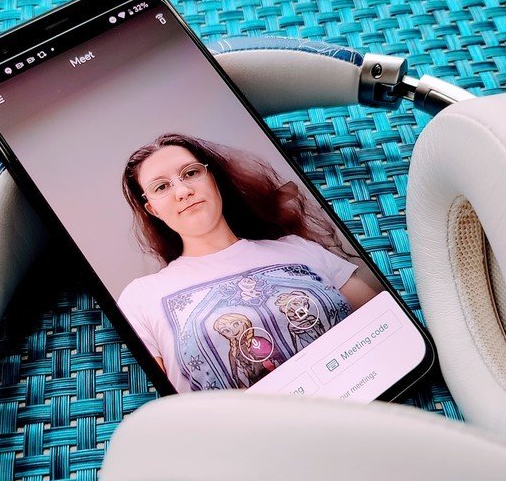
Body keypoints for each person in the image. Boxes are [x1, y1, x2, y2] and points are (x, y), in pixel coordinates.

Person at [117, 133, 379, 392]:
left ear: (213, 179)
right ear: (152, 209)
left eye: (191, 173)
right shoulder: (141, 297)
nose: (184, 191)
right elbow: (156, 406)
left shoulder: (299, 249)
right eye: (161, 187)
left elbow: (382, 321)